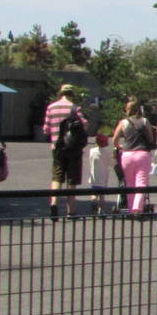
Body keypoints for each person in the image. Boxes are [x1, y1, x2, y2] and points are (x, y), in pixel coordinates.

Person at [43, 84, 89, 218]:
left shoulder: (51, 108)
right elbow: (84, 125)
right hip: (73, 148)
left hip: (57, 147)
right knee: (72, 180)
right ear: (72, 94)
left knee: (57, 177)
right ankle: (71, 211)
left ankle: (54, 203)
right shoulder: (75, 108)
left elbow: (45, 129)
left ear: (60, 93)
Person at [112, 99, 157, 215]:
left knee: (129, 182)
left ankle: (130, 207)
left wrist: (120, 146)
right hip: (142, 154)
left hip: (127, 154)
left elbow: (114, 140)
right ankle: (137, 208)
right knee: (141, 182)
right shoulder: (144, 121)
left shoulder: (123, 122)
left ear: (128, 110)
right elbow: (151, 139)